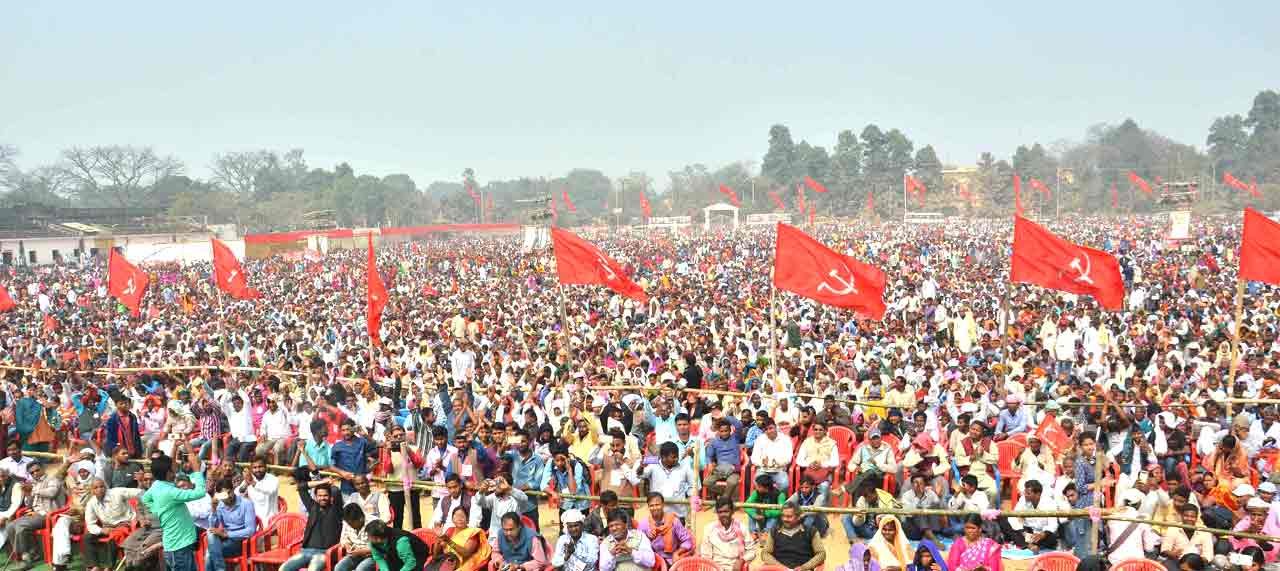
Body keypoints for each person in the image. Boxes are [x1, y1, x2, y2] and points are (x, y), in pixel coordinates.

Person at [140, 448, 207, 571]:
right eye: (173, 466)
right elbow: (201, 492)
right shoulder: (171, 492)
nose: (176, 467)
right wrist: (197, 470)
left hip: (176, 545)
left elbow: (145, 499)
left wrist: (159, 510)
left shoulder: (156, 485)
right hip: (179, 547)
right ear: (168, 473)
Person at [281, 478, 343, 571]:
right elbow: (301, 487)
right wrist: (322, 482)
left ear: (331, 497)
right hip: (306, 551)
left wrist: (327, 484)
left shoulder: (336, 510)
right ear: (316, 497)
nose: (322, 498)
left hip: (323, 553)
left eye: (325, 495)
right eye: (320, 496)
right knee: (283, 568)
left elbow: (335, 490)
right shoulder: (313, 508)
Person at [83, 477, 142, 571]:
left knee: (114, 536)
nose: (99, 489)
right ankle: (94, 566)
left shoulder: (117, 492)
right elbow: (90, 524)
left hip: (124, 524)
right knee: (87, 537)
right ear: (92, 491)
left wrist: (143, 509)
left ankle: (109, 567)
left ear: (105, 487)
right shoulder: (91, 503)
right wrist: (101, 530)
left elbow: (139, 492)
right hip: (106, 527)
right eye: (96, 488)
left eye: (102, 486)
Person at [636, 441, 697, 522]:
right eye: (673, 457)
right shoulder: (653, 465)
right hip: (658, 515)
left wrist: (690, 496)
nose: (677, 459)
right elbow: (640, 475)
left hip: (678, 515)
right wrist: (641, 467)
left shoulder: (684, 467)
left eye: (677, 456)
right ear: (663, 457)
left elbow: (693, 485)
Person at [206, 479, 258, 571]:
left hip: (241, 542)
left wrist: (227, 534)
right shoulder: (220, 505)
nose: (228, 497)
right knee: (210, 533)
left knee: (210, 554)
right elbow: (212, 527)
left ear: (233, 489)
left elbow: (250, 530)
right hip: (225, 540)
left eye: (229, 492)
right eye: (224, 495)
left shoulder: (246, 504)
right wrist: (213, 510)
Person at [761, 503, 824, 571]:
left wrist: (804, 567)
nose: (785, 519)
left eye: (789, 516)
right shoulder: (774, 531)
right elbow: (765, 553)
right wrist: (780, 567)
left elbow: (821, 554)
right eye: (783, 516)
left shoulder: (811, 531)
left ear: (798, 516)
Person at [699, 498, 757, 571]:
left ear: (732, 511)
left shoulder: (742, 528)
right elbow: (706, 556)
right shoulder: (709, 529)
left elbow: (752, 551)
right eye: (720, 512)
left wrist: (741, 560)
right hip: (714, 568)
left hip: (735, 568)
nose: (723, 515)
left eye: (726, 511)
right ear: (717, 513)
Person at [1000, 479, 1058, 551]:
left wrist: (1041, 535)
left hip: (1043, 534)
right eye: (1025, 492)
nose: (1025, 495)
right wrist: (1023, 532)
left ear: (1038, 494)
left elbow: (1053, 524)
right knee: (1004, 520)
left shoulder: (1050, 503)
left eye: (1028, 493)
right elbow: (1014, 516)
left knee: (1052, 537)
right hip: (1027, 532)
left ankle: (1026, 544)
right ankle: (1029, 545)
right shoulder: (1023, 500)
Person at [636, 492, 693, 565]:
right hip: (652, 560)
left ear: (663, 505)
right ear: (648, 507)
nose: (655, 508)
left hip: (671, 560)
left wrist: (677, 553)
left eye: (657, 505)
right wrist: (648, 539)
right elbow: (637, 545)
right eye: (651, 506)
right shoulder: (643, 524)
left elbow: (687, 541)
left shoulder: (674, 521)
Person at [368, 518, 433, 571]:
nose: (368, 538)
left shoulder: (401, 542)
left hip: (416, 559)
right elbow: (378, 558)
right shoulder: (373, 542)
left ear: (378, 539)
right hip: (396, 558)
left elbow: (410, 563)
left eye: (370, 536)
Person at [237, 457, 280, 523]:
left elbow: (270, 491)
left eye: (260, 467)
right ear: (251, 469)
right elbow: (237, 494)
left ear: (266, 467)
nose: (257, 470)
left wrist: (252, 483)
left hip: (271, 520)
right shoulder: (250, 478)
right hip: (253, 519)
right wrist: (245, 484)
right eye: (255, 468)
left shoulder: (273, 479)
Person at [335, 503, 376, 571]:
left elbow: (380, 546)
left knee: (360, 569)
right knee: (339, 567)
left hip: (371, 556)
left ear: (361, 518)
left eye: (351, 524)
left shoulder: (373, 523)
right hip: (354, 554)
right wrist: (347, 545)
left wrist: (362, 551)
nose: (350, 526)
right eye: (348, 523)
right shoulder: (347, 522)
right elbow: (343, 538)